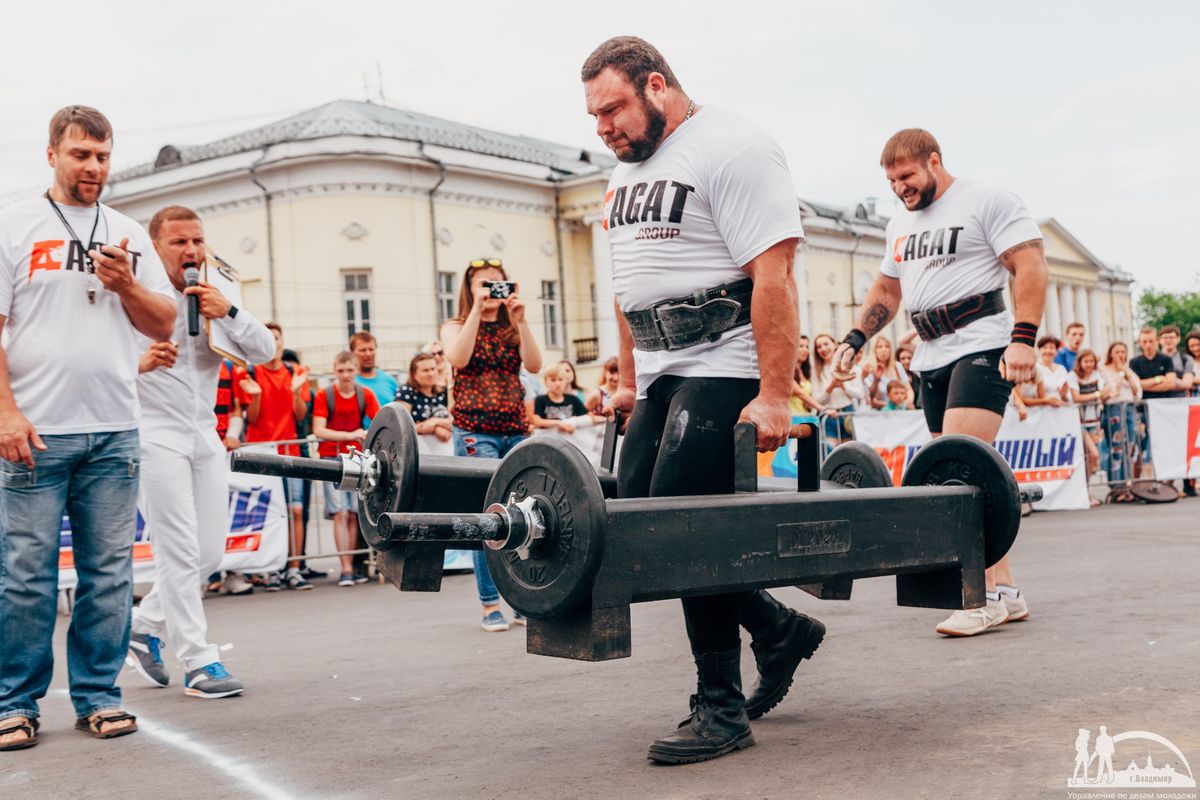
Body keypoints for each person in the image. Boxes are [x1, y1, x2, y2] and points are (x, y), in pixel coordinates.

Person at [584, 36, 824, 764]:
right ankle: (779, 629)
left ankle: (721, 710)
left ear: (657, 84)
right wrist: (628, 380)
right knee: (649, 536)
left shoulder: (733, 147)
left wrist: (776, 396)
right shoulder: (623, 178)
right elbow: (631, 288)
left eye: (613, 109)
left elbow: (774, 273)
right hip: (661, 371)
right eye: (593, 116)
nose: (603, 127)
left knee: (686, 531)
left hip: (726, 362)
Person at [0, 105, 176, 749]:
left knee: (110, 574)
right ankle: (14, 704)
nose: (94, 167)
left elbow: (163, 325)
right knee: (25, 576)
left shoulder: (127, 232)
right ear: (52, 154)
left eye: (102, 156)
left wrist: (128, 284)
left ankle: (99, 697)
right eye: (81, 155)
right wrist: (5, 412)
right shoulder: (13, 225)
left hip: (113, 431)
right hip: (35, 432)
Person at [832, 128, 1047, 637]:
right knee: (963, 481)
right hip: (930, 355)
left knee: (960, 475)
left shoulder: (985, 199)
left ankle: (980, 597)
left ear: (934, 161)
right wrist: (857, 337)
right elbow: (887, 288)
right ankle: (1007, 590)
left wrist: (1023, 338)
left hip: (983, 344)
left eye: (907, 176)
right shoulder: (899, 225)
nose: (900, 188)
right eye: (891, 181)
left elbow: (1031, 263)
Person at [127, 206, 275, 699]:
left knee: (210, 552)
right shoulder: (135, 292)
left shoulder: (216, 289)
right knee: (177, 549)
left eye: (197, 241)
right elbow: (103, 362)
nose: (190, 251)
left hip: (203, 432)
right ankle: (198, 661)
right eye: (178, 242)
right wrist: (140, 362)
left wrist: (227, 311)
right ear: (155, 247)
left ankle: (143, 623)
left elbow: (265, 353)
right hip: (153, 431)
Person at [440, 257, 541, 632]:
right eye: (483, 284)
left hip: (514, 426)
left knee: (522, 517)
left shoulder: (512, 325)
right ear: (469, 288)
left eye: (497, 283)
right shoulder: (454, 325)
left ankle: (520, 598)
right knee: (489, 517)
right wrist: (476, 312)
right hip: (474, 431)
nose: (492, 290)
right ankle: (489, 603)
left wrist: (522, 319)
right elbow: (457, 357)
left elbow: (534, 365)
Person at [236, 323, 312, 590]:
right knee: (266, 513)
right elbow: (252, 417)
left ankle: (294, 567)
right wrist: (255, 395)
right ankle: (270, 570)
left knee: (296, 510)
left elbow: (301, 415)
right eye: (268, 339)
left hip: (289, 449)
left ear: (281, 342)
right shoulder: (252, 373)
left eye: (277, 339)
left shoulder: (295, 372)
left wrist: (294, 390)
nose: (274, 344)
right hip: (262, 451)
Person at [313, 351, 381, 586]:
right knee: (340, 513)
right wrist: (350, 434)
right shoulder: (325, 395)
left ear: (355, 370)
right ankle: (346, 567)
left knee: (352, 514)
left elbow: (380, 420)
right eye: (341, 371)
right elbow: (319, 429)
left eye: (349, 370)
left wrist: (364, 437)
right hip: (332, 457)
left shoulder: (365, 394)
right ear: (334, 371)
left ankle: (351, 565)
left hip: (355, 458)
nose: (345, 375)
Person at [1129, 326, 1177, 478]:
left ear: (1156, 341)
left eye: (1151, 341)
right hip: (1142, 411)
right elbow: (1135, 385)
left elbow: (1170, 383)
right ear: (1140, 343)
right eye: (1144, 342)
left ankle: (1164, 479)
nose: (1148, 345)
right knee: (1141, 445)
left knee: (1163, 445)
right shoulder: (1135, 362)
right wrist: (1157, 379)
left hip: (1162, 410)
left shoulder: (1166, 359)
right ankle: (1139, 481)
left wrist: (1145, 384)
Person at [1099, 342, 1142, 500]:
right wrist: (1118, 376)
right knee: (1116, 448)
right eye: (1117, 351)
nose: (1121, 355)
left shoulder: (1128, 370)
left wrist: (1126, 373)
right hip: (1113, 409)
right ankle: (1116, 486)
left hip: (1129, 407)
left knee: (1129, 447)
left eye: (1123, 351)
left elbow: (1137, 392)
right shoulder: (1103, 370)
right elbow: (1105, 393)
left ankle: (1127, 485)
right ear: (1110, 353)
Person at [1067, 349, 1110, 505]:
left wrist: (1098, 395)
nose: (1089, 365)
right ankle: (1082, 490)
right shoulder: (1073, 376)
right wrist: (1097, 395)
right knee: (1093, 455)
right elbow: (1077, 397)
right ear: (1080, 362)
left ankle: (1085, 489)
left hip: (1094, 421)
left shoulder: (1097, 375)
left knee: (1088, 459)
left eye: (1091, 361)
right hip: (1079, 422)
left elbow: (1107, 393)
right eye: (1086, 361)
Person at [1158, 325, 1196, 495]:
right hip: (1160, 407)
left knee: (1184, 444)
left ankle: (1188, 483)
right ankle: (1168, 482)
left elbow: (1187, 382)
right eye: (1165, 337)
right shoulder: (1156, 358)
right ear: (1160, 340)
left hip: (1181, 406)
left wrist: (1164, 381)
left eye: (1171, 337)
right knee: (1166, 445)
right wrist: (1172, 381)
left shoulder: (1185, 358)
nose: (1168, 340)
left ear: (1178, 339)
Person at [812, 333, 863, 454]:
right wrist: (831, 386)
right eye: (819, 347)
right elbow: (817, 400)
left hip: (848, 414)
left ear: (834, 345)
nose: (823, 349)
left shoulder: (850, 366)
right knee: (831, 453)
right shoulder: (816, 371)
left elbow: (859, 394)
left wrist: (843, 385)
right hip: (829, 416)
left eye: (826, 344)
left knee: (849, 452)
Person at [396, 352, 452, 442]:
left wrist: (434, 421)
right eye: (425, 370)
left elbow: (455, 421)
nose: (431, 373)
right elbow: (401, 425)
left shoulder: (443, 392)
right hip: (417, 448)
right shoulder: (406, 392)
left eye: (433, 369)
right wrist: (436, 429)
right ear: (414, 374)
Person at [531, 363, 600, 435]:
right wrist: (558, 423)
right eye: (553, 380)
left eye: (560, 379)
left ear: (566, 381)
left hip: (571, 440)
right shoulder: (540, 400)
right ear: (546, 382)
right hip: (549, 441)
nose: (557, 383)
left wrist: (606, 420)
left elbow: (589, 417)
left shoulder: (573, 399)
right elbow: (536, 421)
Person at [861, 336, 910, 410]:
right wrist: (890, 406)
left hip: (900, 411)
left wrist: (907, 403)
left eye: (887, 346)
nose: (884, 350)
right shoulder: (869, 368)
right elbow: (871, 397)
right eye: (880, 347)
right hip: (880, 412)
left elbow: (908, 389)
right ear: (874, 350)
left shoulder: (897, 366)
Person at [351, 331, 399, 405]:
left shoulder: (390, 381)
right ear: (352, 352)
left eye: (371, 349)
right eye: (363, 350)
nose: (368, 354)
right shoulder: (347, 382)